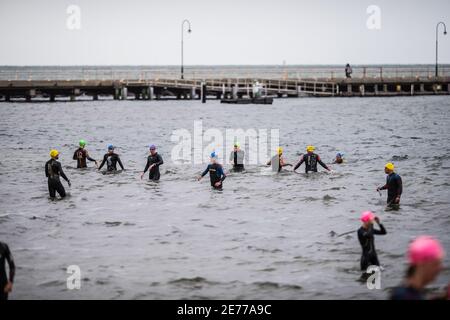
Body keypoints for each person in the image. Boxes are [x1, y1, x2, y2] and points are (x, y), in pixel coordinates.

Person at [358, 211, 387, 278]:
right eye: (370, 220)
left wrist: (379, 223)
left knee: (377, 276)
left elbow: (383, 232)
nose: (372, 221)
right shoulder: (360, 231)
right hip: (366, 258)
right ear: (366, 221)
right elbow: (369, 235)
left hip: (373, 256)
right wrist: (371, 225)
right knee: (366, 278)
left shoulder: (370, 229)